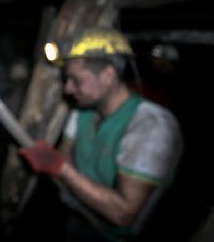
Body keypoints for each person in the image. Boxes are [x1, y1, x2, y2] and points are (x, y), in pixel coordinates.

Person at [19, 27, 183, 242]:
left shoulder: (151, 126)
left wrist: (61, 168)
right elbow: (65, 156)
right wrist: (59, 165)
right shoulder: (82, 112)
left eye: (76, 80)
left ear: (107, 76)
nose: (67, 89)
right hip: (79, 219)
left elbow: (123, 213)